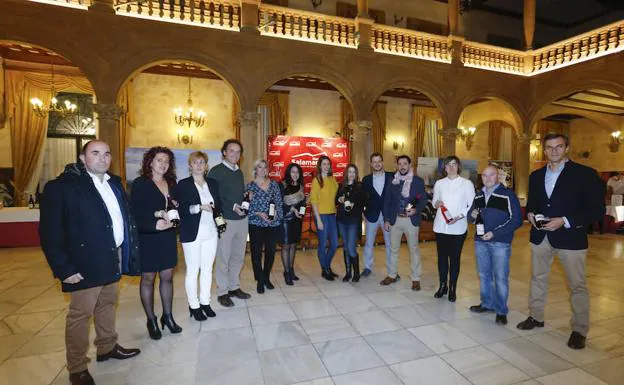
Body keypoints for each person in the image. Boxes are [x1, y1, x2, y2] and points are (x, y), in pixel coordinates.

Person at [40, 140, 140, 385]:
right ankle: (77, 368)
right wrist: (63, 268)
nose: (102, 158)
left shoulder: (114, 182)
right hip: (84, 263)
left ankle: (106, 347)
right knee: (80, 315)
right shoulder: (62, 187)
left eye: (106, 153)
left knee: (107, 304)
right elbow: (50, 232)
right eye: (95, 153)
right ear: (82, 158)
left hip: (112, 256)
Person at [517, 133, 605, 350]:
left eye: (558, 147)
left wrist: (564, 221)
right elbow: (534, 204)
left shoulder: (585, 174)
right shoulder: (536, 176)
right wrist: (529, 214)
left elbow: (597, 210)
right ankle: (536, 317)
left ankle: (579, 330)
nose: (554, 151)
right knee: (538, 278)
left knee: (577, 285)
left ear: (567, 148)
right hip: (541, 236)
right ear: (544, 150)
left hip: (570, 237)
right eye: (549, 147)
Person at [131, 146, 182, 339]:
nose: (163, 164)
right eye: (159, 160)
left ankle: (167, 317)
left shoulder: (172, 183)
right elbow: (135, 214)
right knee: (148, 279)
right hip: (148, 237)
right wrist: (155, 223)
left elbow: (175, 208)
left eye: (166, 161)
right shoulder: (140, 183)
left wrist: (177, 208)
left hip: (167, 236)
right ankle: (151, 319)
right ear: (150, 162)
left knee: (167, 277)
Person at [467, 165, 522, 325]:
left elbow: (516, 220)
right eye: (484, 176)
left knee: (500, 277)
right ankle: (487, 304)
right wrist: (473, 215)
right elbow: (470, 217)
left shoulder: (507, 195)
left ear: (497, 176)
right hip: (480, 241)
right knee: (484, 275)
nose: (488, 178)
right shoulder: (478, 195)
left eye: (491, 175)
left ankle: (501, 310)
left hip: (500, 243)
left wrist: (495, 233)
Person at [175, 151, 220, 321]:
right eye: (196, 162)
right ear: (190, 165)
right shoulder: (183, 184)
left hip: (211, 232)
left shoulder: (213, 184)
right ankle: (194, 306)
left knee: (207, 269)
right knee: (193, 270)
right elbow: (181, 209)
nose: (199, 165)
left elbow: (219, 206)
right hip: (192, 232)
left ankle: (205, 302)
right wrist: (199, 207)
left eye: (202, 162)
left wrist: (220, 221)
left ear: (206, 165)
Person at [208, 139, 251, 306]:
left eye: (238, 152)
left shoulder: (239, 172)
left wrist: (245, 197)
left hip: (242, 220)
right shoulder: (216, 171)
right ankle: (222, 291)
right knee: (223, 257)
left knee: (238, 256)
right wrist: (232, 205)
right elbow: (214, 197)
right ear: (224, 152)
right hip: (225, 220)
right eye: (231, 151)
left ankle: (234, 287)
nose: (235, 154)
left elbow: (236, 194)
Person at [432, 156, 475, 302]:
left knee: (455, 259)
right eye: (448, 165)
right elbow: (434, 202)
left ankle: (452, 288)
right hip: (441, 226)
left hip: (458, 227)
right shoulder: (439, 183)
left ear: (458, 167)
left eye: (454, 164)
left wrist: (459, 216)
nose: (451, 167)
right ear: (444, 168)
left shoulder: (466, 183)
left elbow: (471, 204)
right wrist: (437, 203)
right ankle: (442, 285)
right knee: (442, 258)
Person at [381, 155, 427, 290]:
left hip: (411, 221)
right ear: (397, 166)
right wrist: (386, 220)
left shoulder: (418, 181)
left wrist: (416, 210)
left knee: (414, 250)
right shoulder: (392, 181)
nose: (402, 166)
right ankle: (392, 274)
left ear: (409, 165)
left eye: (405, 163)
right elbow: (387, 202)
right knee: (393, 249)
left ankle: (416, 278)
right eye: (400, 164)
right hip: (395, 220)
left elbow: (423, 199)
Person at [247, 159, 283, 294]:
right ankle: (260, 281)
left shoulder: (274, 184)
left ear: (267, 170)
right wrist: (258, 214)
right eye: (259, 167)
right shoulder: (249, 186)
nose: (262, 170)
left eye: (265, 167)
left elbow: (279, 204)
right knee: (256, 254)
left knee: (271, 253)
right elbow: (245, 207)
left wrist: (275, 219)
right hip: (255, 224)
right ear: (256, 169)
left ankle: (266, 277)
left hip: (271, 225)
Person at [360, 153, 393, 277]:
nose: (377, 164)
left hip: (387, 217)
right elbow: (362, 198)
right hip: (371, 215)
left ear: (383, 162)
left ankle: (392, 270)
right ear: (371, 164)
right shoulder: (366, 179)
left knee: (390, 244)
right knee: (369, 243)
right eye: (374, 162)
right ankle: (367, 267)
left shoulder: (391, 176)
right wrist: (363, 213)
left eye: (379, 161)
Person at [310, 155, 340, 281]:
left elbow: (336, 196)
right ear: (320, 166)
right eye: (324, 164)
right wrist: (318, 220)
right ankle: (325, 269)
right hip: (321, 216)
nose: (326, 166)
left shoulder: (333, 179)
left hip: (333, 215)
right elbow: (314, 201)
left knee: (334, 244)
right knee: (322, 244)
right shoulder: (316, 180)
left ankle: (326, 266)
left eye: (328, 164)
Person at [336, 164, 365, 282]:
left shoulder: (360, 186)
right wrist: (339, 199)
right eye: (349, 172)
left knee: (351, 248)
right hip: (342, 220)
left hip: (353, 220)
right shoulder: (341, 186)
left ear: (356, 174)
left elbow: (362, 203)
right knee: (345, 247)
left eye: (354, 172)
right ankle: (348, 273)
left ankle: (356, 273)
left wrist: (354, 205)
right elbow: (335, 201)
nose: (351, 174)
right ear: (346, 173)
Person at [279, 163, 306, 285]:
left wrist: (301, 211)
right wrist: (292, 209)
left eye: (297, 172)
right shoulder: (282, 185)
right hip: (285, 219)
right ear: (289, 173)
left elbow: (302, 203)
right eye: (293, 172)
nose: (295, 174)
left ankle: (291, 269)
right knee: (286, 246)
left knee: (294, 245)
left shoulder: (301, 186)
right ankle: (286, 272)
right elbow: (278, 202)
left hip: (296, 220)